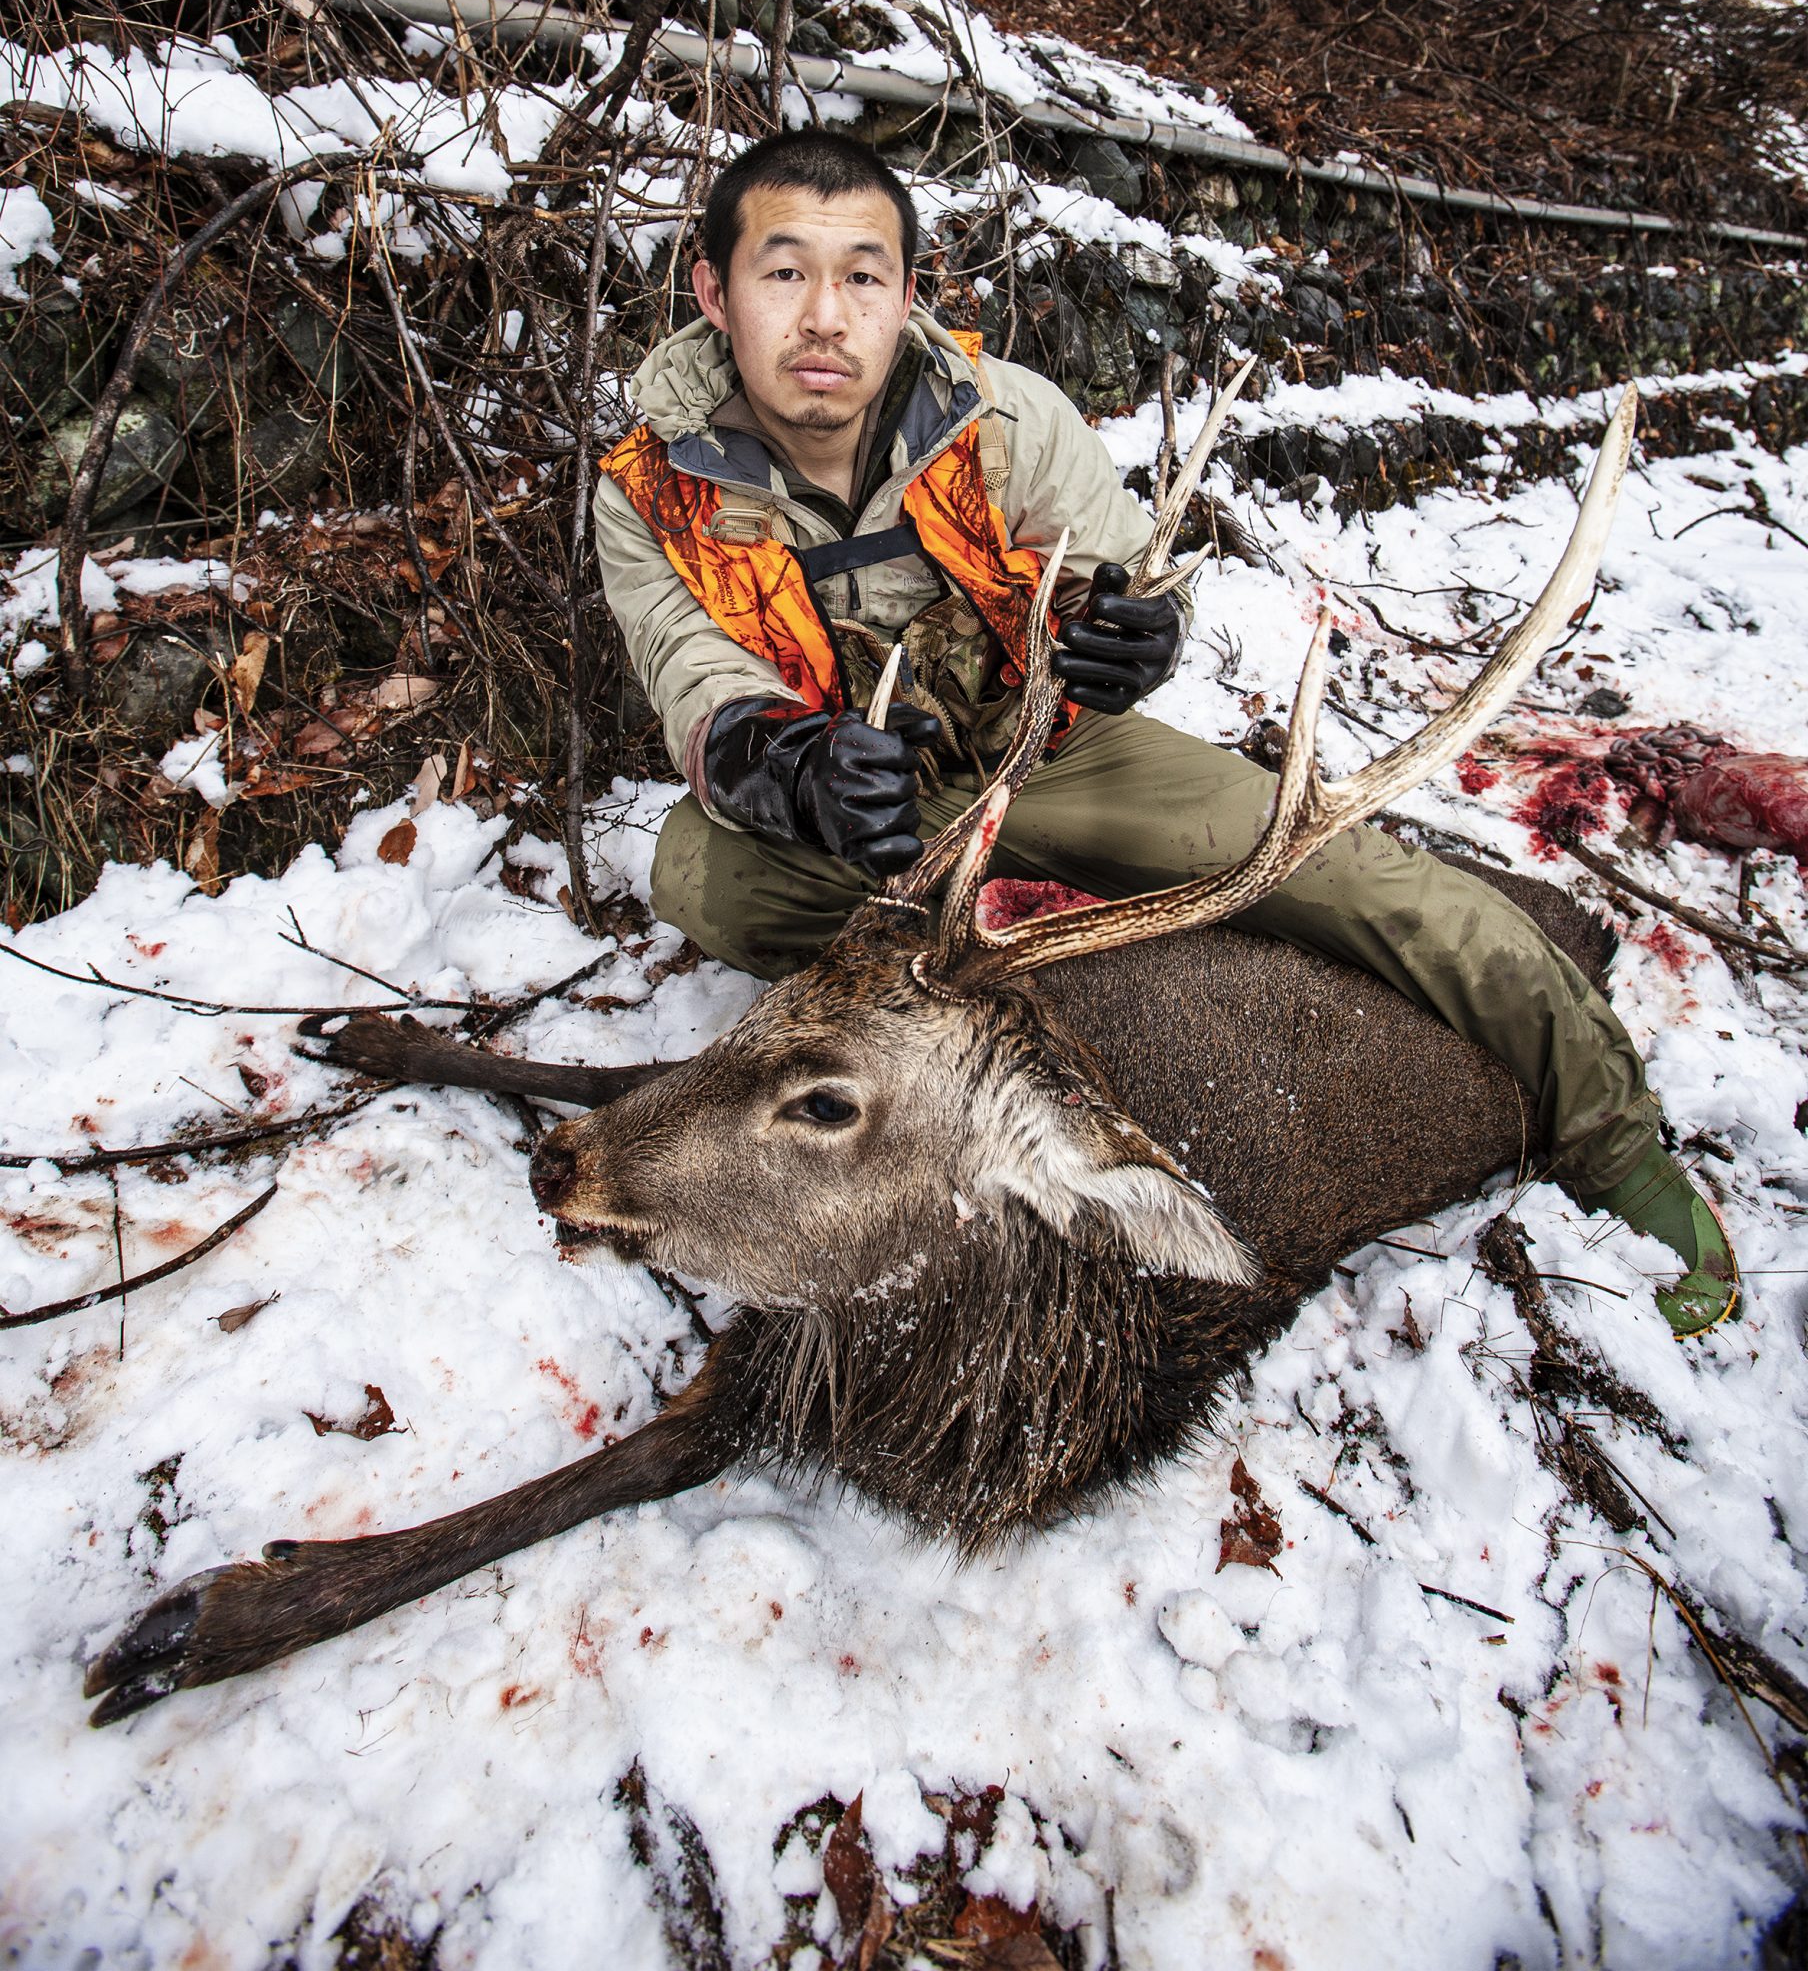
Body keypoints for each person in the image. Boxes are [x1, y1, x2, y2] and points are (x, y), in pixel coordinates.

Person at [593, 128, 1738, 1337]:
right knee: (699, 872)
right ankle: (1033, 973)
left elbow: (1121, 569)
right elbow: (692, 673)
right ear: (713, 292)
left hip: (1054, 756)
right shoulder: (648, 488)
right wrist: (783, 766)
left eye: (861, 275)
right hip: (860, 798)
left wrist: (1140, 628)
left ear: (906, 294)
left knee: (1378, 893)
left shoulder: (1004, 418)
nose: (824, 316)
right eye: (783, 272)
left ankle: (1620, 1154)